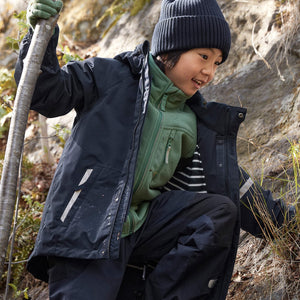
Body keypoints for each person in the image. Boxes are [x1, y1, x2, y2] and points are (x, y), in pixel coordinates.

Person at [15, 0, 296, 299]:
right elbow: (44, 93)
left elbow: (235, 187)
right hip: (88, 228)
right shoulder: (110, 76)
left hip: (141, 234)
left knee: (217, 212)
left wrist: (291, 227)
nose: (209, 72)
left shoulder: (193, 120)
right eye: (203, 56)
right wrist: (40, 36)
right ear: (171, 46)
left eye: (216, 63)